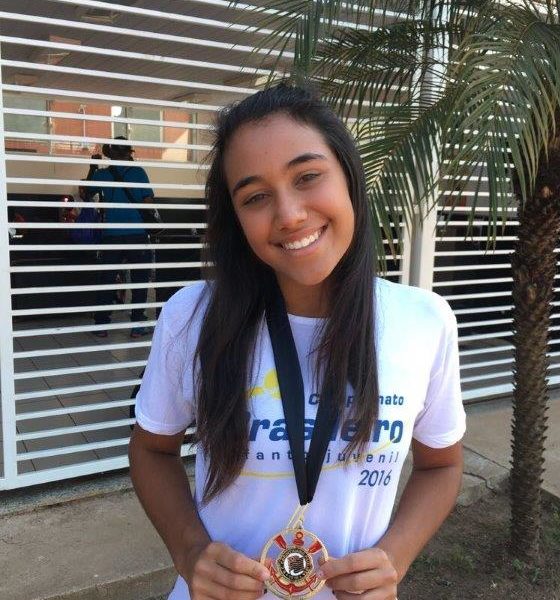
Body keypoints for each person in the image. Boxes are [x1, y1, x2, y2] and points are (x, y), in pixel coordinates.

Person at [129, 84, 466, 600]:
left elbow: (441, 464)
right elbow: (151, 449)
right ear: (236, 219)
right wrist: (189, 550)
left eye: (307, 176)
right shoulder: (192, 318)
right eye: (255, 197)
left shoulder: (423, 321)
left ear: (348, 176)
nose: (288, 214)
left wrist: (394, 559)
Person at [87, 136, 154, 338]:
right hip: (136, 234)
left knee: (107, 279)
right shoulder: (138, 172)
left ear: (110, 154)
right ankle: (137, 325)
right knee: (139, 280)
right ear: (128, 153)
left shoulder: (102, 174)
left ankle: (101, 325)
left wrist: (92, 167)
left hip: (112, 235)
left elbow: (87, 194)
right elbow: (148, 201)